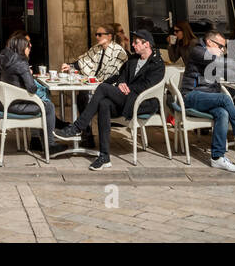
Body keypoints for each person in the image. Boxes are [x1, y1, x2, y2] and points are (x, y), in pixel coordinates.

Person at [54, 30, 167, 170]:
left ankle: (77, 127)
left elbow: (147, 85)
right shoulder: (133, 59)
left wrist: (128, 88)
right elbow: (121, 75)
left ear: (147, 44)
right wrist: (121, 83)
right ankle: (104, 156)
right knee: (104, 104)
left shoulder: (157, 64)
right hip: (127, 98)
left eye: (136, 42)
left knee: (102, 88)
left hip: (142, 102)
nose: (133, 44)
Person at [177, 29, 235, 172]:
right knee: (224, 98)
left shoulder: (212, 55)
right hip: (191, 96)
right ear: (209, 42)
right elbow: (217, 61)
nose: (222, 50)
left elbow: (223, 70)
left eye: (224, 47)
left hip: (208, 98)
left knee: (222, 113)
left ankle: (217, 157)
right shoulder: (197, 50)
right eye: (220, 46)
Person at [0, 32, 65, 155]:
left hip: (4, 104)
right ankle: (50, 145)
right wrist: (29, 75)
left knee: (44, 104)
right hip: (16, 106)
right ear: (22, 48)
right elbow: (32, 88)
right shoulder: (21, 63)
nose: (30, 48)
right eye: (28, 46)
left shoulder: (7, 60)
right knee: (49, 107)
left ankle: (41, 141)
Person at [61, 23, 129, 149]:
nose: (97, 37)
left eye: (100, 34)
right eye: (96, 34)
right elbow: (83, 61)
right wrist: (69, 66)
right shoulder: (97, 49)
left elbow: (119, 73)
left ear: (109, 36)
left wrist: (101, 84)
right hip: (95, 83)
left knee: (86, 96)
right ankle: (87, 134)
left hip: (110, 86)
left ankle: (84, 133)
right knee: (82, 95)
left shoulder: (118, 51)